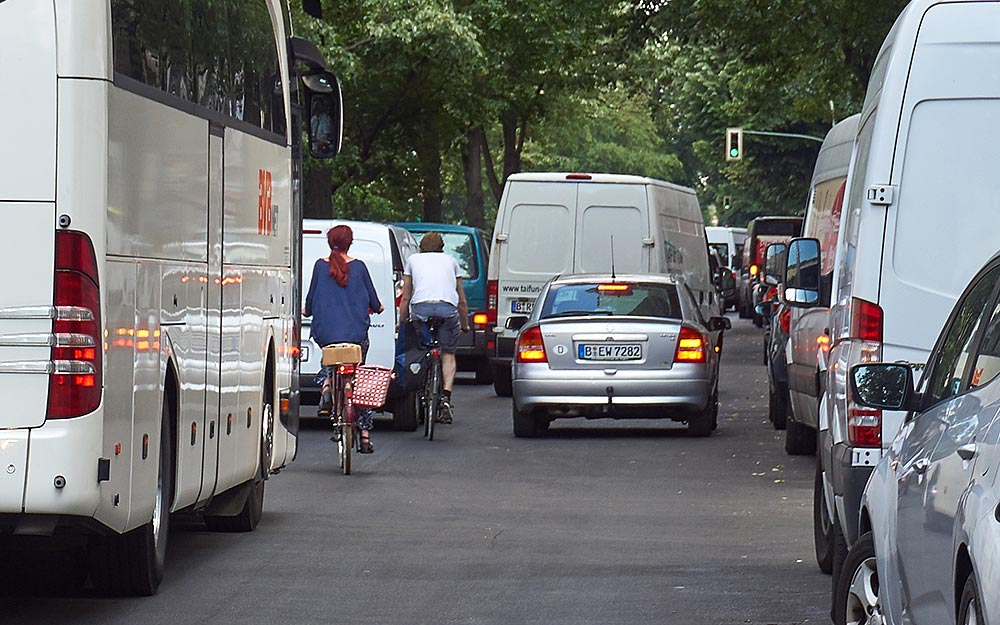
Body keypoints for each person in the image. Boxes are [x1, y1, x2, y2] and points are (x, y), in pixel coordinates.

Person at [303, 225, 384, 453]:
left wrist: (307, 311)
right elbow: (374, 301)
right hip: (356, 336)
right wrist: (377, 308)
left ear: (330, 242)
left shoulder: (320, 267)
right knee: (359, 379)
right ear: (351, 242)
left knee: (328, 360)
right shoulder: (359, 267)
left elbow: (310, 302)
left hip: (326, 335)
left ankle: (327, 386)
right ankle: (365, 434)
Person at [399, 232, 470, 423]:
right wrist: (464, 324)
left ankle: (422, 383)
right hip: (447, 310)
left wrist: (402, 320)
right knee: (448, 353)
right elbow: (461, 299)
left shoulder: (412, 260)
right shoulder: (451, 261)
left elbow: (406, 296)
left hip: (421, 310)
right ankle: (446, 396)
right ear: (442, 247)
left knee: (421, 349)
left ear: (421, 247)